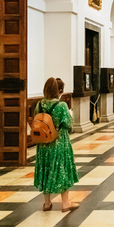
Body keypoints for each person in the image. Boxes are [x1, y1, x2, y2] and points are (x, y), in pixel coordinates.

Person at [34, 77, 79, 212]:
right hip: (58, 142)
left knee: (46, 169)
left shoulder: (40, 104)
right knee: (62, 168)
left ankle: (47, 203)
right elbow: (68, 123)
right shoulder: (61, 106)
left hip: (43, 144)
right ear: (58, 91)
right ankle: (65, 203)